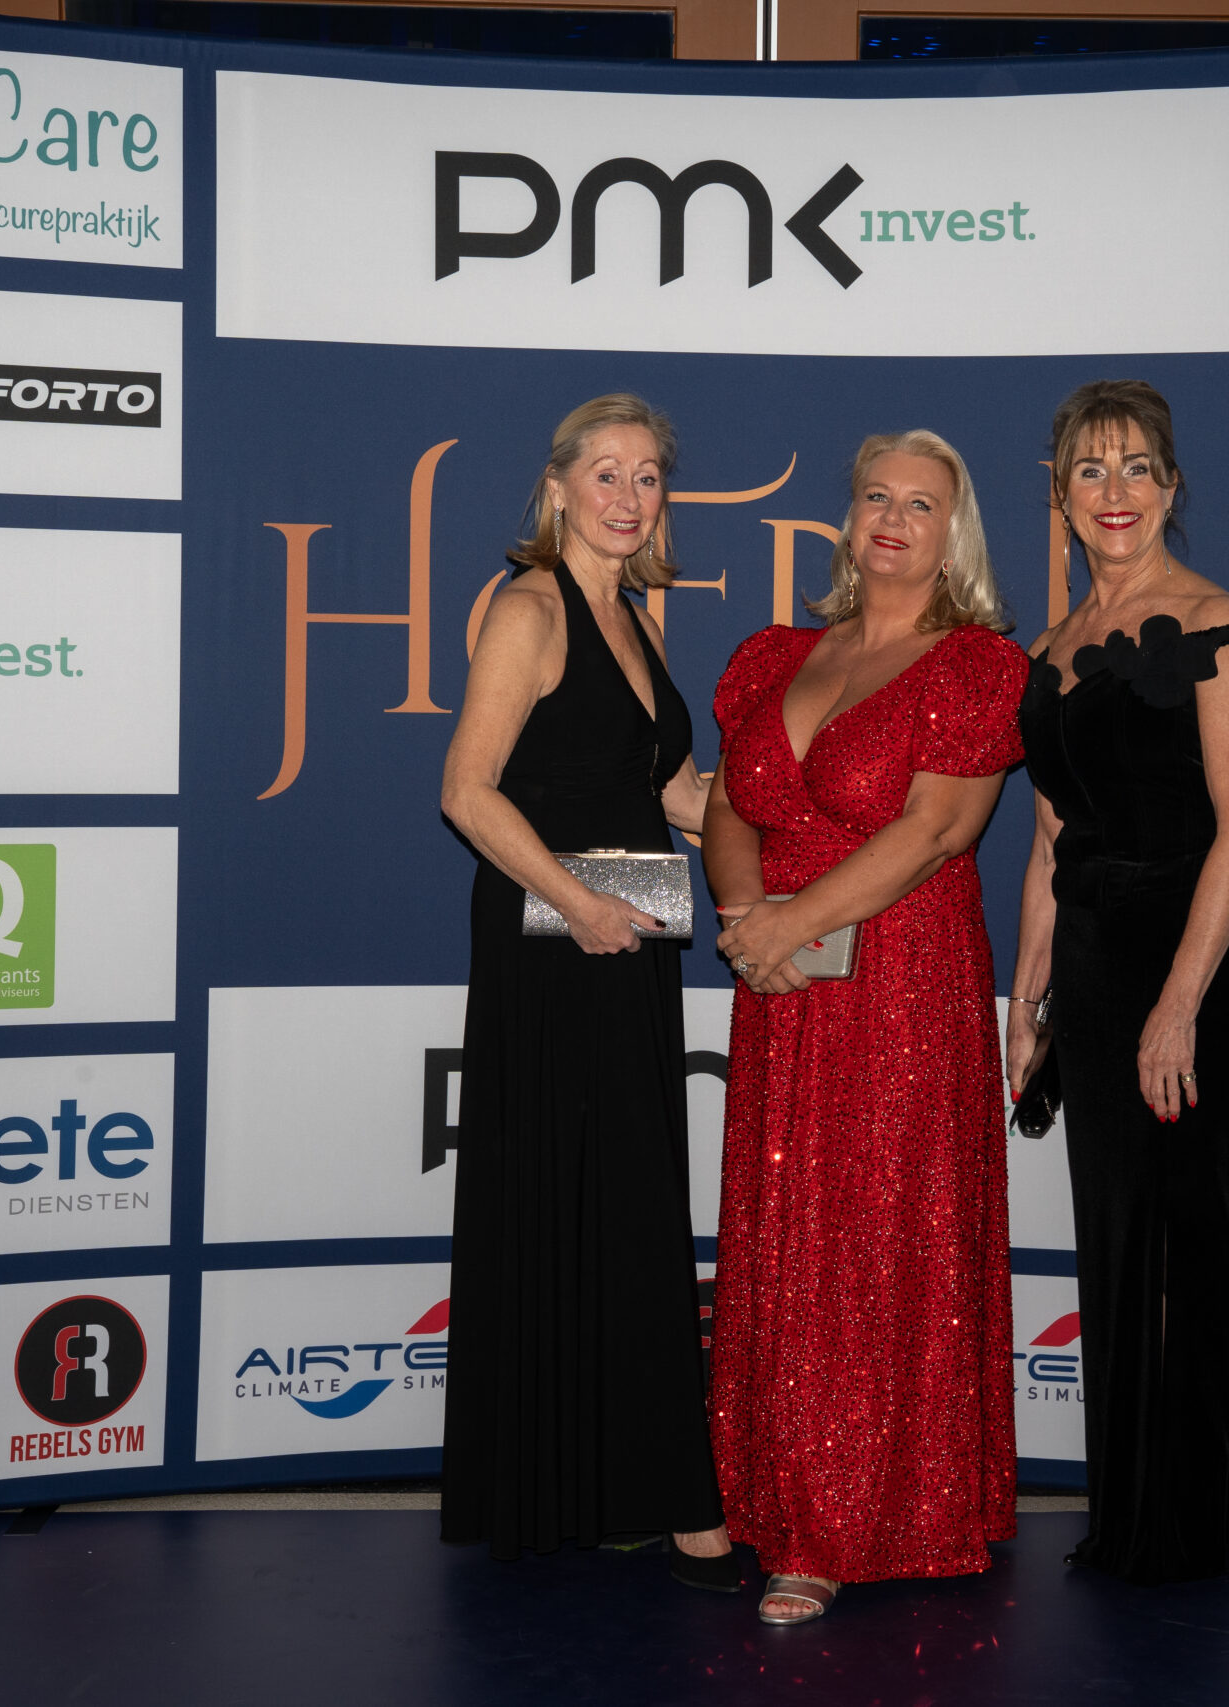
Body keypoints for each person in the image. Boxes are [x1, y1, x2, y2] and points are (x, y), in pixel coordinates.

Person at [704, 430, 1028, 1626]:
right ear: (846, 520)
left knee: (874, 1233)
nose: (894, 518)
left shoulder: (978, 666)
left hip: (900, 975)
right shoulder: (774, 654)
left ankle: (840, 1524)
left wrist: (792, 923)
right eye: (876, 497)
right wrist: (744, 919)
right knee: (786, 1228)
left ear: (955, 533)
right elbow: (732, 803)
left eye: (922, 504)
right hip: (779, 976)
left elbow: (939, 832)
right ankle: (772, 1492)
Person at [438, 394, 737, 1590]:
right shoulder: (530, 607)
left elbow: (677, 796)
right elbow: (467, 790)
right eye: (605, 473)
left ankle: (619, 1482)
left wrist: (818, 827)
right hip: (557, 946)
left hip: (626, 938)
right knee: (582, 1203)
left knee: (623, 1209)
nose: (628, 495)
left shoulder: (629, 615)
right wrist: (577, 903)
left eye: (648, 475)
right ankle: (671, 1505)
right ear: (557, 485)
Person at [1008, 380, 1229, 1585]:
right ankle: (1128, 1514)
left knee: (1194, 1228)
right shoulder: (1050, 650)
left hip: (1204, 953)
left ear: (1171, 488)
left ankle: (1194, 1522)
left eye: (1136, 468)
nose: (1113, 491)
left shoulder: (1217, 624)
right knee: (1117, 1229)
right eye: (1090, 469)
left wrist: (1179, 1005)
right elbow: (1048, 838)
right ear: (1061, 496)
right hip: (1093, 951)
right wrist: (1027, 999)